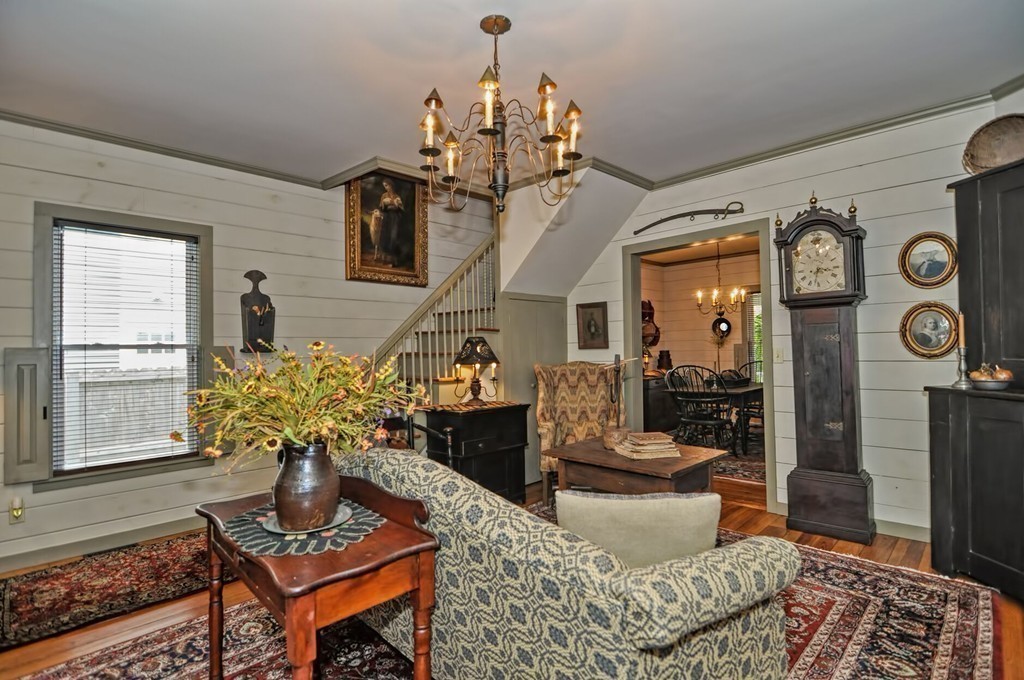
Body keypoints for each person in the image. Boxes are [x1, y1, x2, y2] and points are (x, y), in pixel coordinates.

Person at [377, 178, 404, 267]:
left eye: (386, 185)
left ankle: (394, 260)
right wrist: (386, 204)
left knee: (394, 236)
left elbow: (401, 209)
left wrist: (396, 204)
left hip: (395, 218)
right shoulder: (384, 196)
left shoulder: (397, 197)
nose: (386, 188)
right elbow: (381, 208)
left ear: (391, 185)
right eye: (384, 186)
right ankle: (385, 258)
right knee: (385, 236)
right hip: (387, 217)